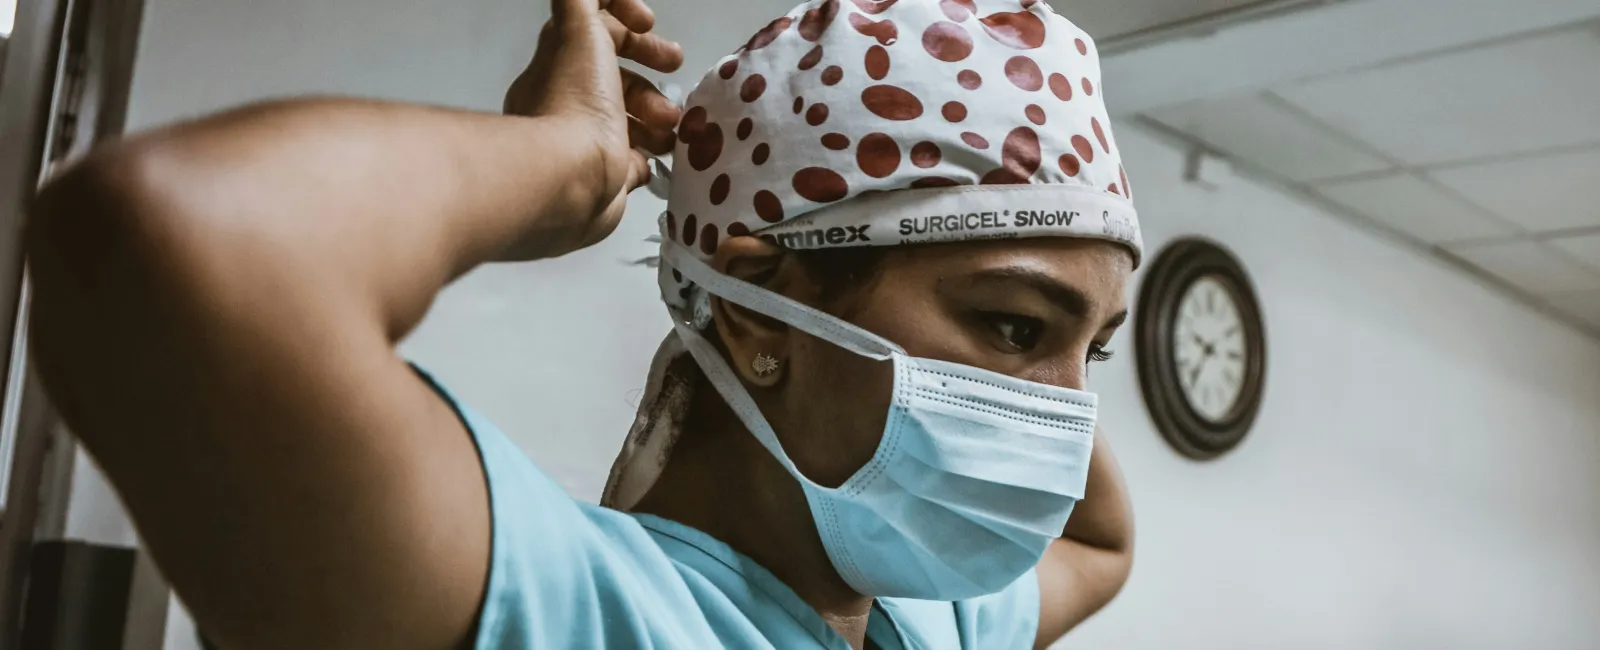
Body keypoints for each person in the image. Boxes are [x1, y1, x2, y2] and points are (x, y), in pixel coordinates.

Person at [25, 0, 1137, 648]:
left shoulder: (914, 623)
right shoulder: (575, 610)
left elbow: (1099, 544)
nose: (1062, 418)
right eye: (1008, 325)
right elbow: (172, 242)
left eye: (1094, 348)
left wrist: (1047, 322)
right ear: (771, 313)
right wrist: (570, 162)